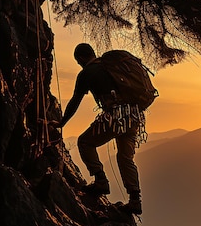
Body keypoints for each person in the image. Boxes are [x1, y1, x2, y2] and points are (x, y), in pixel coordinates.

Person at [51, 43, 145, 215]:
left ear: (80, 58)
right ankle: (135, 200)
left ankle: (100, 180)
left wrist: (62, 122)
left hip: (115, 116)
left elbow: (75, 100)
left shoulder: (87, 72)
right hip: (134, 116)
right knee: (125, 158)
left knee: (85, 142)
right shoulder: (110, 66)